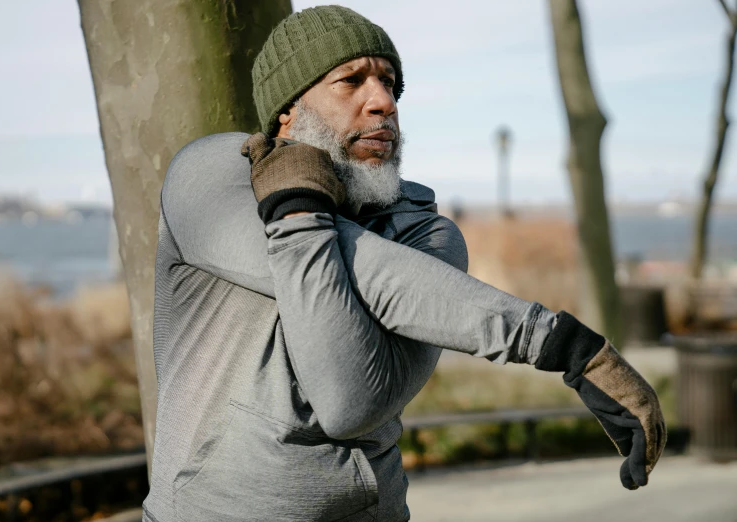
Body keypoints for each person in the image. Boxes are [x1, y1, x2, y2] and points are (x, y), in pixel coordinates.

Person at [143, 5, 666, 522]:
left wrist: (294, 212)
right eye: (351, 81)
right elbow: (372, 271)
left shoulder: (427, 234)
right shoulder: (212, 174)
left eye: (390, 83)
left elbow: (351, 401)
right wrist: (556, 342)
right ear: (288, 112)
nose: (384, 102)